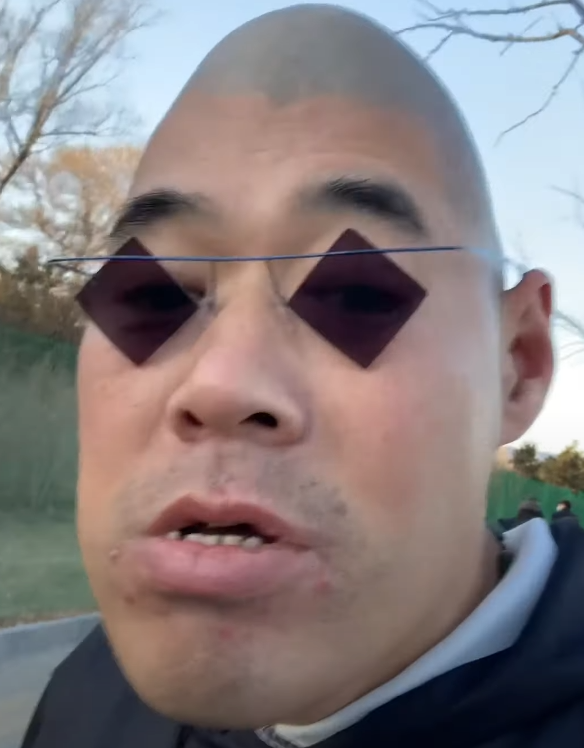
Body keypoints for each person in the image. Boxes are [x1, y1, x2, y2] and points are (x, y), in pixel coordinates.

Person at [20, 4, 584, 748]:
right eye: (154, 295)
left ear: (519, 366)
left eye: (355, 296)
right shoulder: (86, 701)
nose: (221, 384)